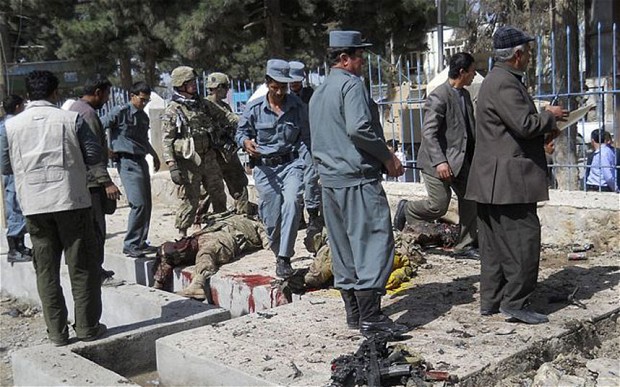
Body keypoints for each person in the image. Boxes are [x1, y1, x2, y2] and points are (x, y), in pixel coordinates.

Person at [465, 26, 567, 325]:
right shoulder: (505, 83)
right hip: (509, 182)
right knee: (524, 241)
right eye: (528, 52)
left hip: (493, 180)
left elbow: (510, 128)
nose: (530, 57)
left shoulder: (497, 81)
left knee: (494, 246)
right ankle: (515, 303)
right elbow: (523, 124)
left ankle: (492, 301)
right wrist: (551, 115)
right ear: (518, 55)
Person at [309, 30, 407, 336]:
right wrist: (387, 156)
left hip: (330, 181)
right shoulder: (350, 85)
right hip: (357, 179)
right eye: (358, 55)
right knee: (374, 241)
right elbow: (359, 129)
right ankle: (371, 317)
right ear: (343, 59)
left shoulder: (319, 92)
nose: (362, 60)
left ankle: (354, 314)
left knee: (343, 248)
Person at [5, 70, 106, 346]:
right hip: (71, 200)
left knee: (46, 270)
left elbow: (4, 164)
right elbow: (94, 154)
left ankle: (57, 333)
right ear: (55, 92)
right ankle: (87, 327)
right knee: (82, 267)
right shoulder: (71, 119)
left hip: (34, 206)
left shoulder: (10, 126)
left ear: (27, 95)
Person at [393, 52, 479, 259]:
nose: (475, 74)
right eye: (472, 70)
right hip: (436, 162)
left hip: (459, 162)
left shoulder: (465, 95)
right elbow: (428, 133)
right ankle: (407, 210)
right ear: (462, 72)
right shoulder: (439, 96)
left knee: (471, 200)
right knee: (438, 206)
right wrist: (441, 161)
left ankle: (465, 245)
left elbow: (468, 130)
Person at [236, 59, 309, 278]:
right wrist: (245, 142)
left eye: (283, 87)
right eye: (275, 87)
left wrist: (308, 165)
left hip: (291, 165)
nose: (279, 92)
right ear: (268, 83)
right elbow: (241, 133)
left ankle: (284, 257)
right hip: (265, 170)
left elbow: (305, 138)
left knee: (293, 202)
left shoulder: (297, 107)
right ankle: (279, 252)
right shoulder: (254, 108)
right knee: (270, 217)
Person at [162, 66, 233, 237]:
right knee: (191, 199)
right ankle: (182, 232)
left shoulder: (202, 104)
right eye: (190, 83)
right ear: (180, 85)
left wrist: (241, 121)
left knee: (217, 192)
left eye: (194, 81)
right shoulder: (174, 109)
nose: (194, 85)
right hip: (189, 161)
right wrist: (172, 166)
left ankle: (220, 227)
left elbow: (223, 116)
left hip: (208, 156)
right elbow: (167, 140)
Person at [69, 75, 122, 282]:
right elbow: (92, 155)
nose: (108, 99)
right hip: (92, 183)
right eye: (107, 94)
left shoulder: (74, 108)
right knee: (96, 229)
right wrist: (107, 182)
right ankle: (96, 273)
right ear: (98, 92)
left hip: (79, 180)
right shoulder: (88, 114)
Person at [153, 211, 268, 299]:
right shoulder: (234, 216)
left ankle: (197, 284)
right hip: (205, 236)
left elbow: (266, 238)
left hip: (225, 238)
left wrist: (269, 244)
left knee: (206, 253)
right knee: (168, 250)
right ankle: (158, 283)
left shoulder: (256, 224)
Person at [103, 81, 161, 258]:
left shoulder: (143, 117)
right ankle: (131, 244)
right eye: (141, 99)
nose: (143, 103)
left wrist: (155, 155)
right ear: (132, 96)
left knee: (147, 205)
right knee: (138, 203)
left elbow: (143, 140)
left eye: (146, 100)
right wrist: (106, 148)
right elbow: (98, 126)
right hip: (126, 161)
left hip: (141, 160)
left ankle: (141, 241)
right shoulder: (120, 112)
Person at [289, 61, 323, 253]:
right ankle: (298, 217)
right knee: (294, 181)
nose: (293, 84)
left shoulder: (312, 95)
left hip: (310, 141)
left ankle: (312, 216)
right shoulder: (284, 98)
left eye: (296, 80)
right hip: (291, 143)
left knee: (311, 179)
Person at [206, 72, 250, 214]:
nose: (228, 90)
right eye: (226, 87)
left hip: (228, 154)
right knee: (213, 193)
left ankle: (242, 217)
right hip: (212, 156)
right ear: (218, 87)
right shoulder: (205, 106)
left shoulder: (224, 106)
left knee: (240, 186)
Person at [0, 94, 32, 263]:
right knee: (15, 205)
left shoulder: (6, 124)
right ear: (18, 107)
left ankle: (20, 245)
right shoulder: (10, 125)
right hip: (13, 171)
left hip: (13, 170)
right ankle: (14, 248)